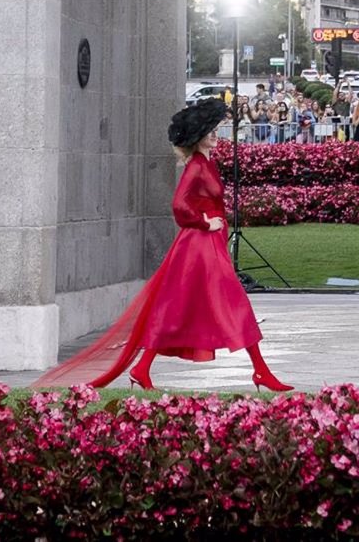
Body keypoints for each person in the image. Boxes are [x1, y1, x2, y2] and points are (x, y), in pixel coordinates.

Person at [34, 99, 291, 392]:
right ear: (199, 136)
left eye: (216, 131)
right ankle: (259, 371)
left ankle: (143, 368)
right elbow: (179, 205)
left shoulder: (207, 163)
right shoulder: (196, 166)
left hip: (206, 246)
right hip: (200, 246)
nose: (216, 136)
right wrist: (206, 222)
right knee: (232, 303)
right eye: (211, 131)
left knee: (179, 309)